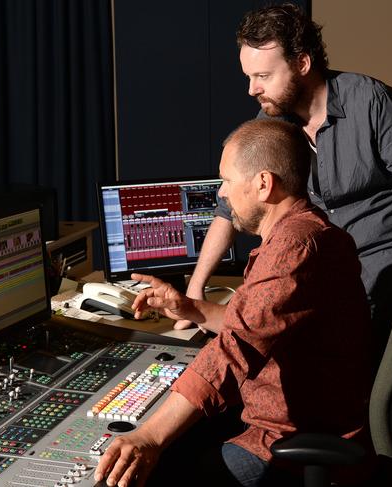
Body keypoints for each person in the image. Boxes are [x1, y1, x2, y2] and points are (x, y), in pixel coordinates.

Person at [94, 118, 373, 486]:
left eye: (226, 180)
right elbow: (258, 322)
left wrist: (149, 435)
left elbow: (237, 346)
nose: (221, 194)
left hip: (289, 438)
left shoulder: (296, 247)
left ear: (263, 183)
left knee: (152, 471)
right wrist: (192, 309)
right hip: (284, 417)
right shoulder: (300, 232)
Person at [177, 4, 392, 341]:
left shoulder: (371, 101)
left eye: (263, 76)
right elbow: (228, 208)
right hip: (331, 266)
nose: (252, 89)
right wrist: (196, 287)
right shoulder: (271, 127)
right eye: (249, 76)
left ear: (302, 64)